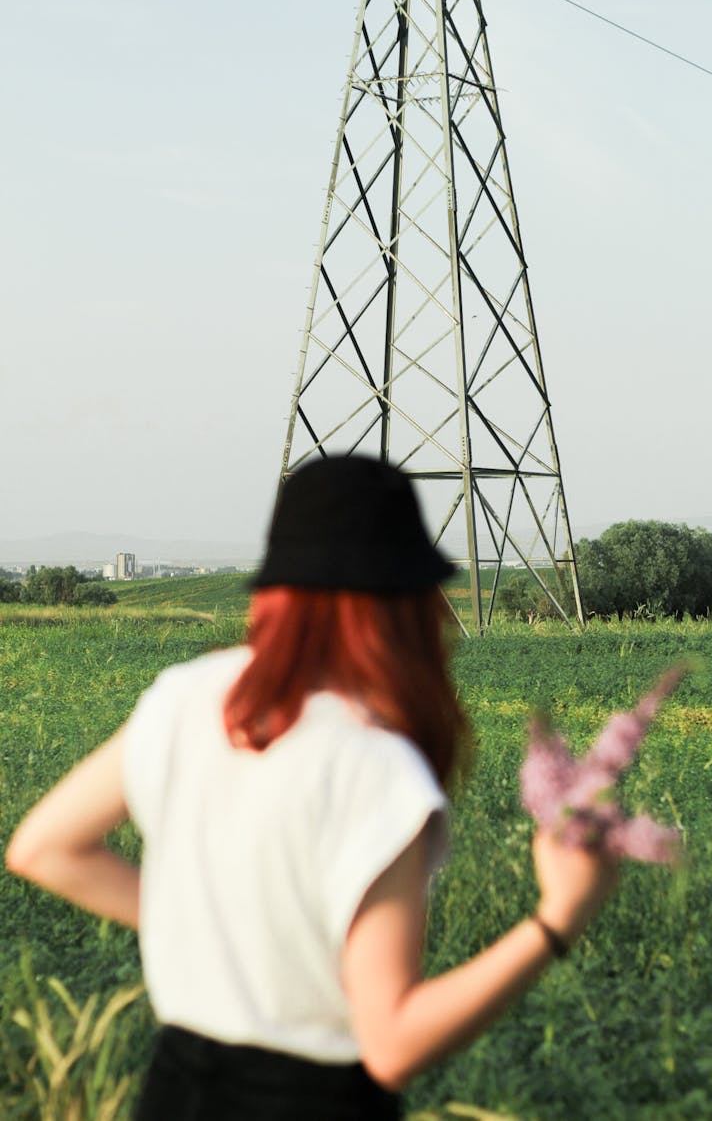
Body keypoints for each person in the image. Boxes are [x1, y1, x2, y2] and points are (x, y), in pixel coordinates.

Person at [6, 455, 618, 1120]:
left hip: (175, 1090)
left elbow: (45, 849)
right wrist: (558, 919)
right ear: (408, 600)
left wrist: (212, 928)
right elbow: (392, 1044)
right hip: (314, 1101)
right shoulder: (375, 766)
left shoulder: (189, 696)